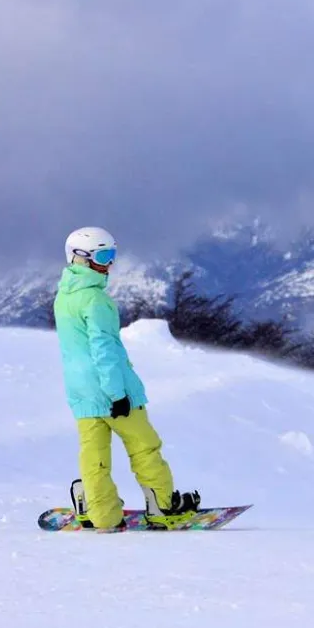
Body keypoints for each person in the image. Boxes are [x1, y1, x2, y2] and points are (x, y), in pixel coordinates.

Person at [53, 226, 200, 530]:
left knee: (94, 452)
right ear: (80, 257)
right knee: (144, 445)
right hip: (110, 388)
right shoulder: (96, 300)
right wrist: (117, 393)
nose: (110, 263)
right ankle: (162, 507)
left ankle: (100, 512)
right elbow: (103, 349)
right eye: (104, 255)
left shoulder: (63, 298)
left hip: (80, 390)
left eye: (112, 255)